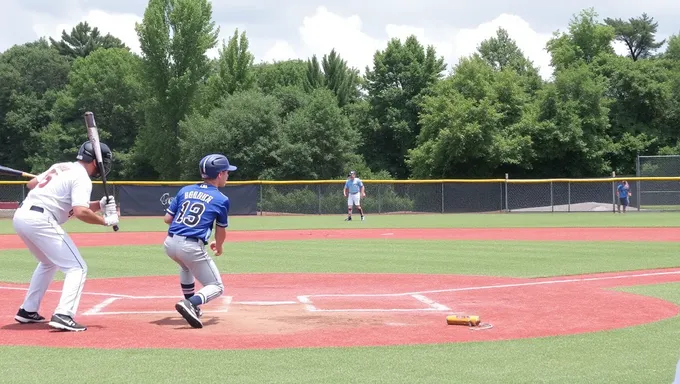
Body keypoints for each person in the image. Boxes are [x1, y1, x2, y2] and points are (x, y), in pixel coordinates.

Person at [12, 141, 119, 332]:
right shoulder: (82, 178)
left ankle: (28, 310)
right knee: (77, 267)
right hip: (40, 219)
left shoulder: (61, 167)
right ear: (95, 161)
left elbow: (32, 185)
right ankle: (64, 314)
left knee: (48, 262)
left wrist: (100, 205)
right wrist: (106, 221)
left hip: (22, 216)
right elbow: (80, 212)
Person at [162, 154, 236, 329]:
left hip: (170, 243)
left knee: (185, 267)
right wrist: (218, 246)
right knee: (217, 286)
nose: (228, 175)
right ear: (219, 174)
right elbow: (220, 230)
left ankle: (190, 305)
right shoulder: (221, 199)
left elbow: (167, 219)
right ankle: (191, 303)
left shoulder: (185, 190)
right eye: (226, 172)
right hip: (191, 245)